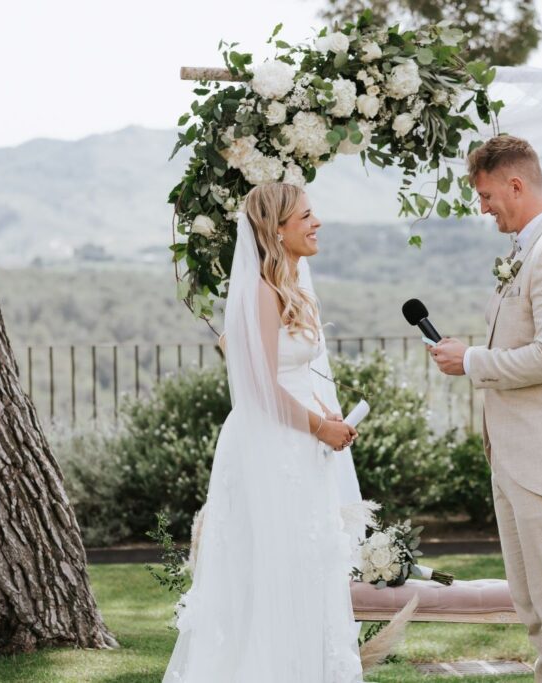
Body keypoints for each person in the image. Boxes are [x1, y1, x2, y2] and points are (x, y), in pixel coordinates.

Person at [429, 135, 542, 682]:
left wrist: (473, 361)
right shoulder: (525, 250)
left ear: (516, 184)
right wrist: (472, 355)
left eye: (487, 196)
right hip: (513, 461)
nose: (482, 208)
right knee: (536, 617)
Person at [164, 183, 364, 682]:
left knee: (308, 565)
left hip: (301, 443)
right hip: (268, 446)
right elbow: (261, 390)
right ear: (276, 230)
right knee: (271, 569)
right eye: (306, 217)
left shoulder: (295, 283)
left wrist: (328, 420)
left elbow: (294, 373)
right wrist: (320, 427)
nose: (316, 224)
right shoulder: (260, 291)